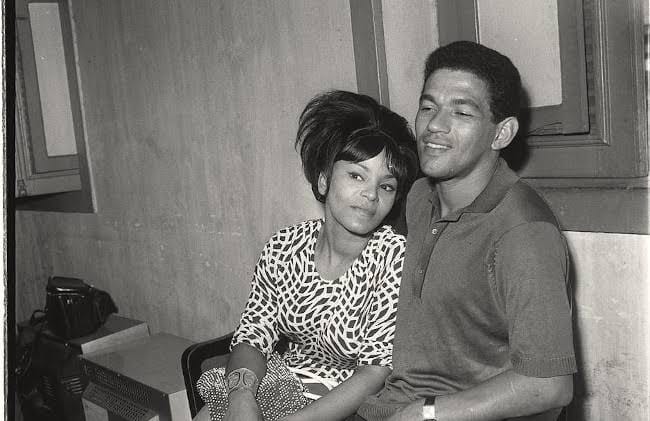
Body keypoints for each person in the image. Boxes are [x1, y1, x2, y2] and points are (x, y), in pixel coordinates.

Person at [356, 41, 577, 421]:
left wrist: (424, 413)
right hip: (384, 404)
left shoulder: (524, 232)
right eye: (428, 107)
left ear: (501, 134)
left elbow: (549, 385)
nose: (434, 126)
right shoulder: (418, 197)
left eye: (461, 112)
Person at [194, 90, 419, 421]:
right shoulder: (285, 246)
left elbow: (374, 373)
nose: (371, 194)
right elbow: (253, 336)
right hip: (283, 382)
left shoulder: (395, 257)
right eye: (356, 175)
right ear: (324, 180)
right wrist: (242, 399)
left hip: (353, 406)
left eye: (386, 186)